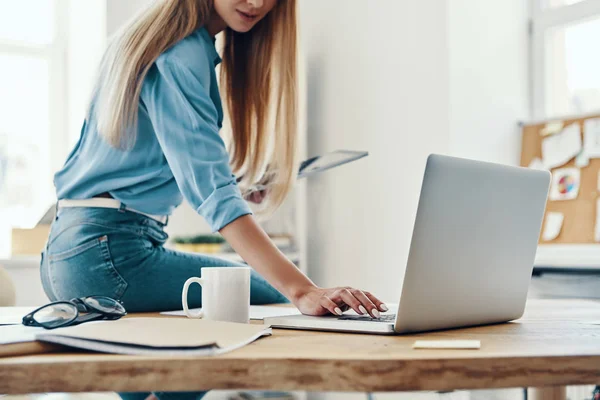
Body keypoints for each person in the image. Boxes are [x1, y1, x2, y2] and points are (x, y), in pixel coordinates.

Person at [41, 0, 387, 398]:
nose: (257, 2)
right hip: (109, 253)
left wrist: (235, 184)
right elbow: (210, 193)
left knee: (150, 382)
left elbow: (144, 164)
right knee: (266, 296)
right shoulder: (181, 52)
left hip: (68, 249)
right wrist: (303, 290)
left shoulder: (152, 39)